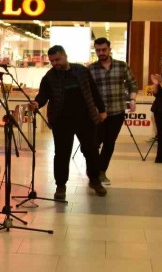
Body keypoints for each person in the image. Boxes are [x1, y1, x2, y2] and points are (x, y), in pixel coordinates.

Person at [31, 45, 107, 200]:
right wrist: (37, 103)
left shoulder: (81, 71)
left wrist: (102, 109)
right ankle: (60, 185)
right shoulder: (49, 77)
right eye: (52, 61)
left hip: (86, 118)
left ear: (65, 56)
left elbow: (93, 90)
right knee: (61, 154)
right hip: (61, 121)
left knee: (91, 150)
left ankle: (95, 180)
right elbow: (43, 95)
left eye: (57, 59)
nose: (55, 63)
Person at [88, 37, 138, 184]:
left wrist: (132, 99)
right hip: (98, 114)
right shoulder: (91, 69)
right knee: (94, 144)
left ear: (109, 49)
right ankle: (93, 171)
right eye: (98, 50)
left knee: (109, 143)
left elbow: (132, 83)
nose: (101, 53)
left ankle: (101, 172)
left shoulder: (122, 66)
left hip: (117, 111)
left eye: (104, 49)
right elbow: (87, 90)